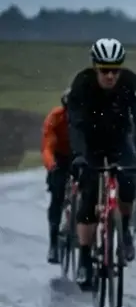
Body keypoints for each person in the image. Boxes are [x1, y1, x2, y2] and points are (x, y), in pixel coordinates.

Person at [66, 38, 136, 287]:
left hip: (119, 140)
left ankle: (124, 230)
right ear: (95, 67)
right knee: (90, 195)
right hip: (90, 143)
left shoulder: (130, 82)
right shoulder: (82, 83)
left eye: (115, 69)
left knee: (128, 183)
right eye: (105, 70)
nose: (110, 75)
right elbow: (75, 124)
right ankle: (84, 259)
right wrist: (79, 156)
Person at [41, 90, 73, 263]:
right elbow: (47, 145)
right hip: (60, 158)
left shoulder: (88, 117)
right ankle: (53, 243)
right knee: (57, 194)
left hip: (80, 156)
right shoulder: (55, 117)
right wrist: (51, 164)